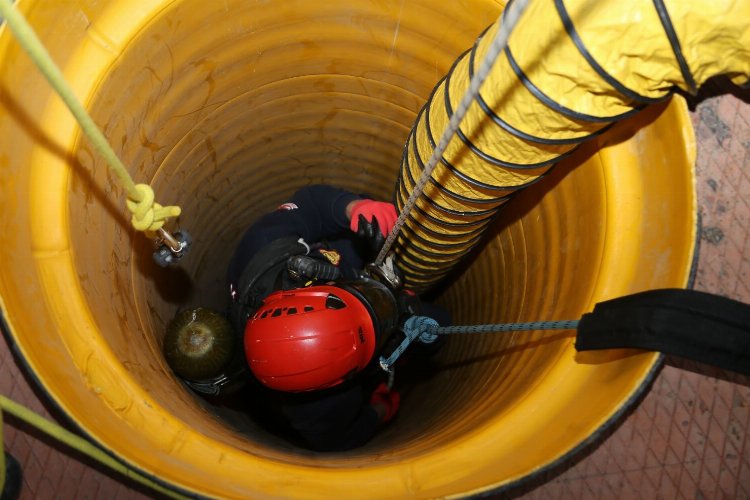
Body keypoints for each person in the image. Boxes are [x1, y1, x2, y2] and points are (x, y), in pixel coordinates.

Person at [165, 184, 446, 451]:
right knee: (438, 326)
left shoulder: (265, 247)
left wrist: (353, 208)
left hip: (347, 275)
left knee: (366, 223)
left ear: (305, 291)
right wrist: (377, 412)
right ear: (337, 381)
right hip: (380, 340)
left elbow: (312, 205)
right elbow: (336, 442)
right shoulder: (319, 407)